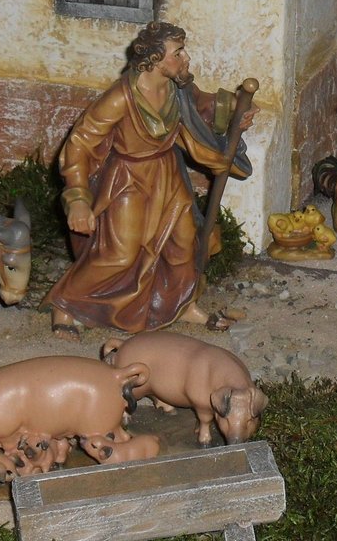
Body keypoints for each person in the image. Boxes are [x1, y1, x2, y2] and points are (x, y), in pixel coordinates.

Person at [44, 21, 252, 338]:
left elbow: (204, 106)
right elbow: (80, 144)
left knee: (184, 243)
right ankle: (66, 304)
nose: (186, 58)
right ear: (155, 59)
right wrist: (78, 198)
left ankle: (183, 304)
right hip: (129, 180)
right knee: (120, 254)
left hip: (168, 175)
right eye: (178, 53)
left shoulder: (177, 89)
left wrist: (236, 109)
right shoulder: (121, 97)